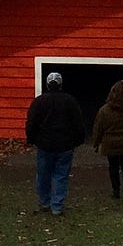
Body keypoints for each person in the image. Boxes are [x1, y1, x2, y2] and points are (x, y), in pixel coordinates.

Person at [24, 71, 87, 216]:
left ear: (47, 84)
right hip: (65, 144)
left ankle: (44, 202)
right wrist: (79, 139)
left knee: (43, 174)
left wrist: (31, 139)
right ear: (60, 84)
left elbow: (31, 122)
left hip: (44, 144)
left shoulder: (39, 102)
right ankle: (57, 206)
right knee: (61, 175)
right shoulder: (70, 101)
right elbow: (78, 122)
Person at [91, 78, 123, 200]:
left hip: (110, 143)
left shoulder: (104, 110)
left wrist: (96, 143)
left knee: (113, 167)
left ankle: (116, 191)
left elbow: (98, 128)